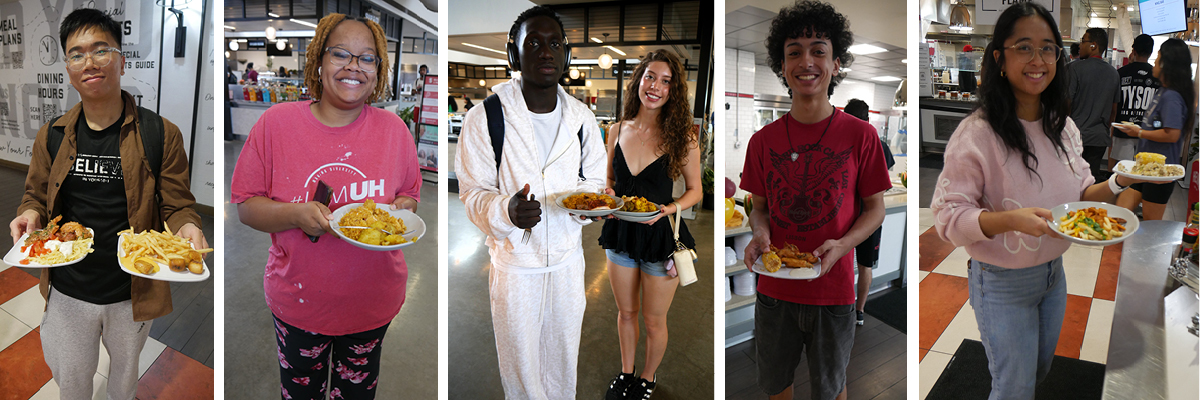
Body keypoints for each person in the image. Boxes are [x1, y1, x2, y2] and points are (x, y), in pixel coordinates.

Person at [931, 3, 1148, 399]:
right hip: (1000, 282)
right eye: (1024, 47)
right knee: (1014, 388)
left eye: (1048, 48)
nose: (1038, 60)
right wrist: (1010, 220)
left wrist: (1120, 180)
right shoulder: (976, 133)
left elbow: (1084, 195)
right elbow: (947, 215)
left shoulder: (1062, 127)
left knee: (1039, 370)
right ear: (1000, 57)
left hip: (1053, 274)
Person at [8, 8, 208, 399]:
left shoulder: (160, 133)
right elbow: (35, 194)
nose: (89, 62)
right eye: (77, 53)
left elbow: (178, 202)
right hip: (68, 287)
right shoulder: (52, 134)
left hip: (130, 290)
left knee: (123, 383)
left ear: (120, 58)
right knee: (72, 382)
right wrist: (28, 214)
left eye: (101, 50)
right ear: (68, 66)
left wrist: (187, 224)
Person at [230, 13, 421, 399]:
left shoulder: (394, 131)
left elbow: (409, 194)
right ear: (318, 60)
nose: (354, 66)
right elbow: (246, 207)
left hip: (372, 302)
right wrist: (294, 214)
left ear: (378, 70)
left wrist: (402, 207)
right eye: (340, 54)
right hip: (299, 304)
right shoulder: (276, 124)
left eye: (367, 58)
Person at [738, 2, 891, 399]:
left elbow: (875, 209)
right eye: (794, 52)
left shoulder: (861, 136)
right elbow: (759, 207)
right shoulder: (761, 141)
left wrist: (842, 245)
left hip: (834, 290)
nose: (806, 61)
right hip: (775, 291)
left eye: (818, 50)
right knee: (776, 386)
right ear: (782, 65)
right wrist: (759, 234)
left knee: (831, 389)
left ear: (836, 63)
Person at [452, 5, 605, 399]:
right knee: (521, 368)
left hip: (569, 264)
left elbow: (596, 180)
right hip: (516, 267)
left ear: (567, 56)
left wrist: (586, 205)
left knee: (563, 360)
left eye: (555, 43)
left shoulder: (583, 120)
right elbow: (471, 192)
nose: (545, 52)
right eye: (533, 43)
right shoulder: (486, 118)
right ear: (512, 54)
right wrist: (506, 210)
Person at [598, 49, 701, 400]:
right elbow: (610, 178)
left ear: (673, 91)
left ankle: (647, 376)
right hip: (620, 234)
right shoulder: (616, 130)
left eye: (666, 81)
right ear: (639, 81)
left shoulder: (682, 137)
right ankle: (626, 372)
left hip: (660, 238)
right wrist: (608, 194)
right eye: (650, 77)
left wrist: (671, 207)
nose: (656, 87)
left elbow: (695, 191)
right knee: (626, 313)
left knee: (654, 321)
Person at [1114, 38, 1196, 220]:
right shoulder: (1163, 91)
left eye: (1157, 59)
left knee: (1151, 227)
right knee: (1119, 214)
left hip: (1160, 174)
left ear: (1167, 64)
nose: (1154, 63)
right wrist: (1139, 128)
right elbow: (1159, 125)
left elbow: (1172, 134)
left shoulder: (1172, 97)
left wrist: (1139, 132)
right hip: (1144, 169)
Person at [842, 98, 894, 326]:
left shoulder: (840, 139)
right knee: (864, 266)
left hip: (845, 216)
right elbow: (886, 174)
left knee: (838, 260)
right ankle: (859, 312)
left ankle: (841, 309)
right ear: (867, 118)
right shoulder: (878, 143)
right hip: (869, 216)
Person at [1066, 27, 1120, 183]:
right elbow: (1113, 110)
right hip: (1099, 138)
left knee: (1071, 179)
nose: (1080, 45)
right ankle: (1090, 207)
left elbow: (1066, 104)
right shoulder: (1113, 73)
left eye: (1083, 41)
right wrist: (1103, 128)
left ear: (1093, 45)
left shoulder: (1074, 68)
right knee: (1091, 179)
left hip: (1075, 137)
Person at [1110, 34, 1160, 173]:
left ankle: (1121, 193)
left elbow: (1114, 105)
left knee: (1123, 171)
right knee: (1144, 171)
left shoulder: (1120, 73)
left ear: (1134, 51)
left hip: (1123, 130)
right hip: (1147, 133)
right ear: (1151, 52)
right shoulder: (1157, 76)